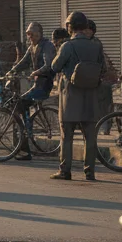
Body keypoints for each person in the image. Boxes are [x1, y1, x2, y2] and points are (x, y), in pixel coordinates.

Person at [50, 11, 112, 182]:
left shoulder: (67, 46)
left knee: (67, 136)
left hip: (70, 96)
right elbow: (103, 68)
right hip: (91, 96)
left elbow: (55, 66)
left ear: (70, 26)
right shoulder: (96, 46)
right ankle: (89, 172)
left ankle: (65, 170)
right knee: (90, 137)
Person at [9, 22, 56, 162]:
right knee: (17, 105)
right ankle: (25, 130)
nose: (30, 37)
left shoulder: (47, 46)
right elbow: (24, 62)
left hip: (44, 84)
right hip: (36, 83)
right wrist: (12, 71)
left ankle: (26, 139)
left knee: (21, 104)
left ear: (39, 33)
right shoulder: (32, 47)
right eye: (28, 34)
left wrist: (36, 72)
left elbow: (49, 65)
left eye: (32, 34)